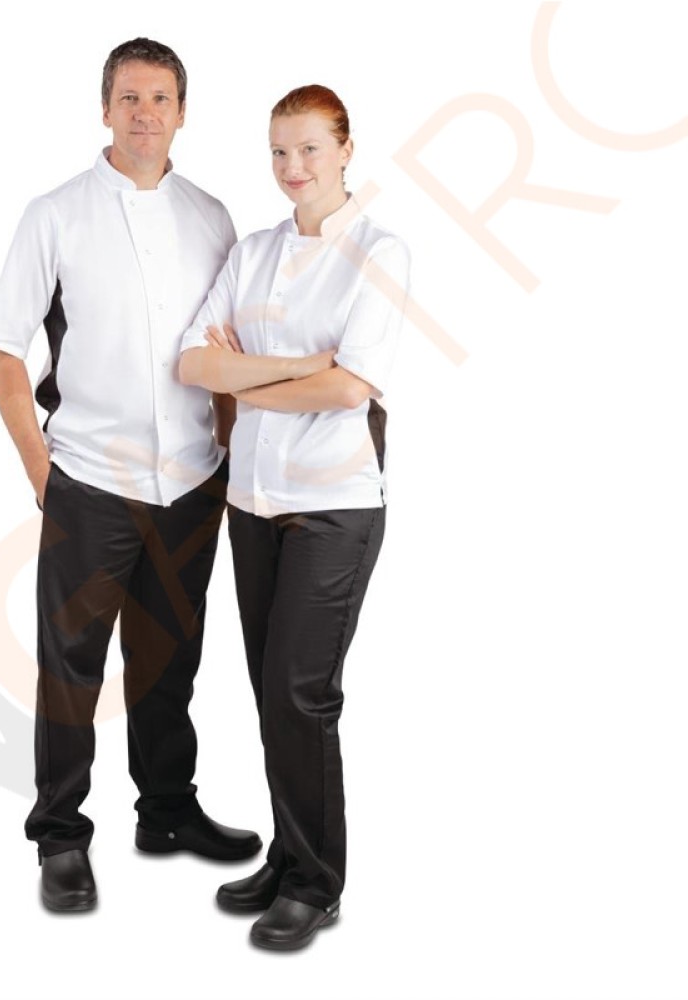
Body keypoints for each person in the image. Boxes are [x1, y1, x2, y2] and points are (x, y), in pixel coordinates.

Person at [0, 38, 275, 913]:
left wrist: (228, 461)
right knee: (72, 667)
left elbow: (224, 351)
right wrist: (41, 468)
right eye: (130, 97)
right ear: (105, 109)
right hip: (90, 479)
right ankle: (61, 837)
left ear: (183, 112)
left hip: (191, 482)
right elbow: (2, 348)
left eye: (161, 98)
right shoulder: (55, 215)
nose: (146, 113)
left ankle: (167, 812)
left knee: (169, 659)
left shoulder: (212, 216)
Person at [179, 83, 411, 950]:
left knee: (300, 694)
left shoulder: (380, 253)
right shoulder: (253, 252)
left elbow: (352, 389)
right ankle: (287, 855)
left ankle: (317, 883)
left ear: (346, 150)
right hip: (252, 500)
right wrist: (303, 366)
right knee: (268, 691)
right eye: (279, 150)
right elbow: (193, 364)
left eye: (310, 148)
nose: (292, 166)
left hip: (332, 504)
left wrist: (254, 375)